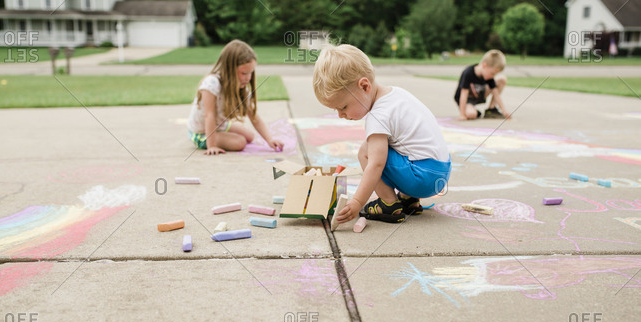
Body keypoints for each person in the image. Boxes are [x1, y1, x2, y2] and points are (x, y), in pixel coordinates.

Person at [313, 44, 451, 224]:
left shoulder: (378, 115)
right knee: (399, 146)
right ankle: (408, 199)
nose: (341, 115)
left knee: (365, 151)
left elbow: (376, 164)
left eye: (343, 107)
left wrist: (357, 202)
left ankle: (389, 204)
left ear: (364, 86)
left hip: (422, 178)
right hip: (440, 172)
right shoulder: (396, 94)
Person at [187, 39, 284, 155]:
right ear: (229, 70)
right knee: (240, 142)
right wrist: (211, 145)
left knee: (250, 136)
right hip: (201, 132)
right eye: (244, 73)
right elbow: (209, 115)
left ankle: (221, 135)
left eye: (251, 72)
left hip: (220, 125)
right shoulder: (212, 84)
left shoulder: (241, 88)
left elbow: (254, 117)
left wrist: (269, 139)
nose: (248, 78)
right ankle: (210, 140)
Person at [454, 49, 510, 120]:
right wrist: (462, 115)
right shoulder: (468, 73)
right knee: (471, 114)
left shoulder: (489, 77)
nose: (493, 76)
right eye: (492, 73)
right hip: (467, 99)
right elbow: (463, 95)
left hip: (479, 95)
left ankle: (491, 109)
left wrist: (504, 111)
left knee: (502, 79)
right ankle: (474, 111)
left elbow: (496, 94)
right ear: (484, 65)